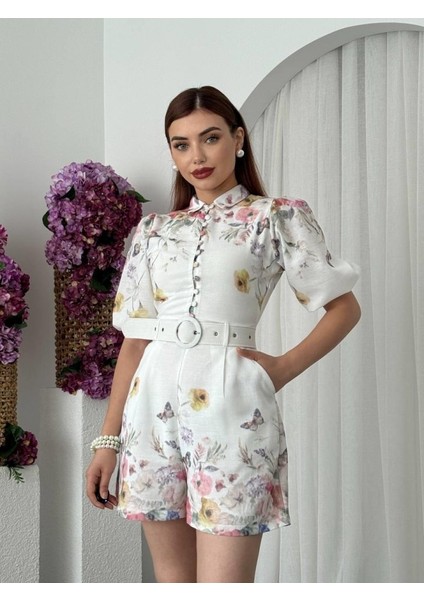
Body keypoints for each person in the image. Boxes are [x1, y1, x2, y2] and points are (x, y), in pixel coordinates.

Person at [86, 85, 361, 583]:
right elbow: (135, 340)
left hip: (232, 408)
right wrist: (108, 440)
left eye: (210, 138)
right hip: (151, 414)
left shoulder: (276, 217)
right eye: (181, 144)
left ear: (238, 139)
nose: (197, 156)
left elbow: (344, 309)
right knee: (173, 582)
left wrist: (280, 369)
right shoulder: (153, 231)